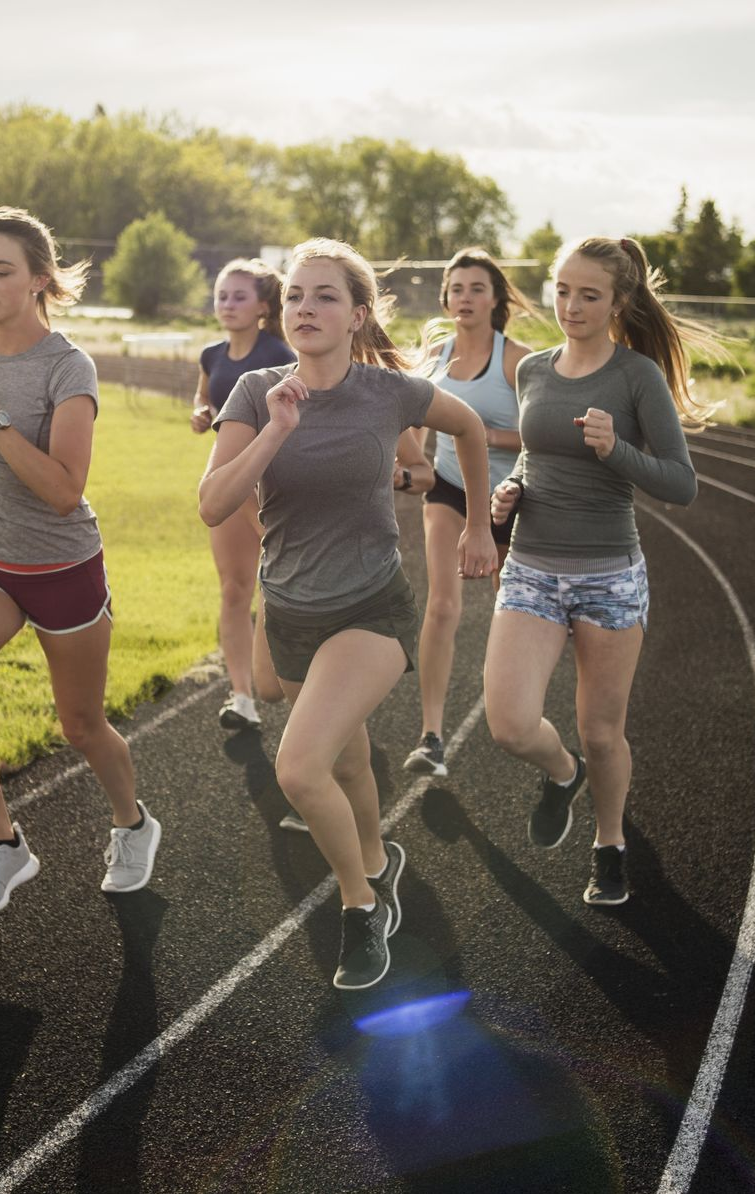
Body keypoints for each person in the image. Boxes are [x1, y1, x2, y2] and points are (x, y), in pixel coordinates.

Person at [199, 238, 494, 990]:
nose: (306, 308)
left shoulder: (388, 392)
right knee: (348, 757)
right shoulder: (254, 391)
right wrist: (276, 429)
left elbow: (467, 427)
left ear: (357, 314)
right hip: (291, 609)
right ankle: (377, 856)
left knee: (299, 767)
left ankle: (362, 907)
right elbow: (212, 503)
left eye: (325, 296)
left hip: (370, 609)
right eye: (296, 295)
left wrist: (478, 522)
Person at [0, 206, 161, 914]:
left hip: (61, 566)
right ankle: (5, 842)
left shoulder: (69, 367)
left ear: (39, 279)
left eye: (0, 270)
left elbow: (62, 490)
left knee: (80, 725)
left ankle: (133, 823)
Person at [484, 235, 723, 908]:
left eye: (589, 294)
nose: (571, 304)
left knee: (601, 729)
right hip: (530, 566)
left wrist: (617, 450)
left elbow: (682, 484)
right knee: (507, 722)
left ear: (619, 301)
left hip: (608, 577)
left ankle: (609, 841)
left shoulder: (635, 377)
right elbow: (535, 457)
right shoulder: (532, 371)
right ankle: (562, 774)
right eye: (562, 289)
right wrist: (513, 491)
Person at [403, 248, 536, 778]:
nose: (465, 298)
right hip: (450, 490)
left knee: (517, 611)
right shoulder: (434, 356)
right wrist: (410, 464)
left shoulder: (516, 360)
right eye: (456, 289)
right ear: (445, 298)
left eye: (476, 288)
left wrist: (478, 433)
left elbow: (541, 434)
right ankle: (431, 736)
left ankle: (521, 717)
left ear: (495, 299)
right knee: (442, 606)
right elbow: (414, 421)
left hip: (513, 494)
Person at [190, 259, 296, 732]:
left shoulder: (281, 353)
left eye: (239, 297)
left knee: (287, 590)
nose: (227, 305)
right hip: (231, 486)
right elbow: (207, 401)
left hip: (281, 483)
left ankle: (308, 699)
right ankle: (242, 698)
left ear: (263, 307)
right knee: (235, 589)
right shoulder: (212, 354)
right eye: (221, 296)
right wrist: (199, 414)